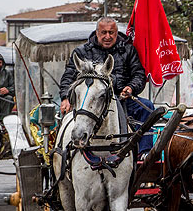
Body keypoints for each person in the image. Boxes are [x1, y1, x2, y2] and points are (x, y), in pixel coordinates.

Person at [59, 16, 154, 159]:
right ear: (97, 33)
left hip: (121, 99)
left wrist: (130, 87)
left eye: (111, 32)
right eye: (104, 32)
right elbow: (68, 76)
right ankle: (66, 154)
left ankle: (144, 153)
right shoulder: (81, 52)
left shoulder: (128, 50)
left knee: (147, 107)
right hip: (90, 101)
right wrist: (66, 97)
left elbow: (139, 74)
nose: (107, 36)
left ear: (117, 33)